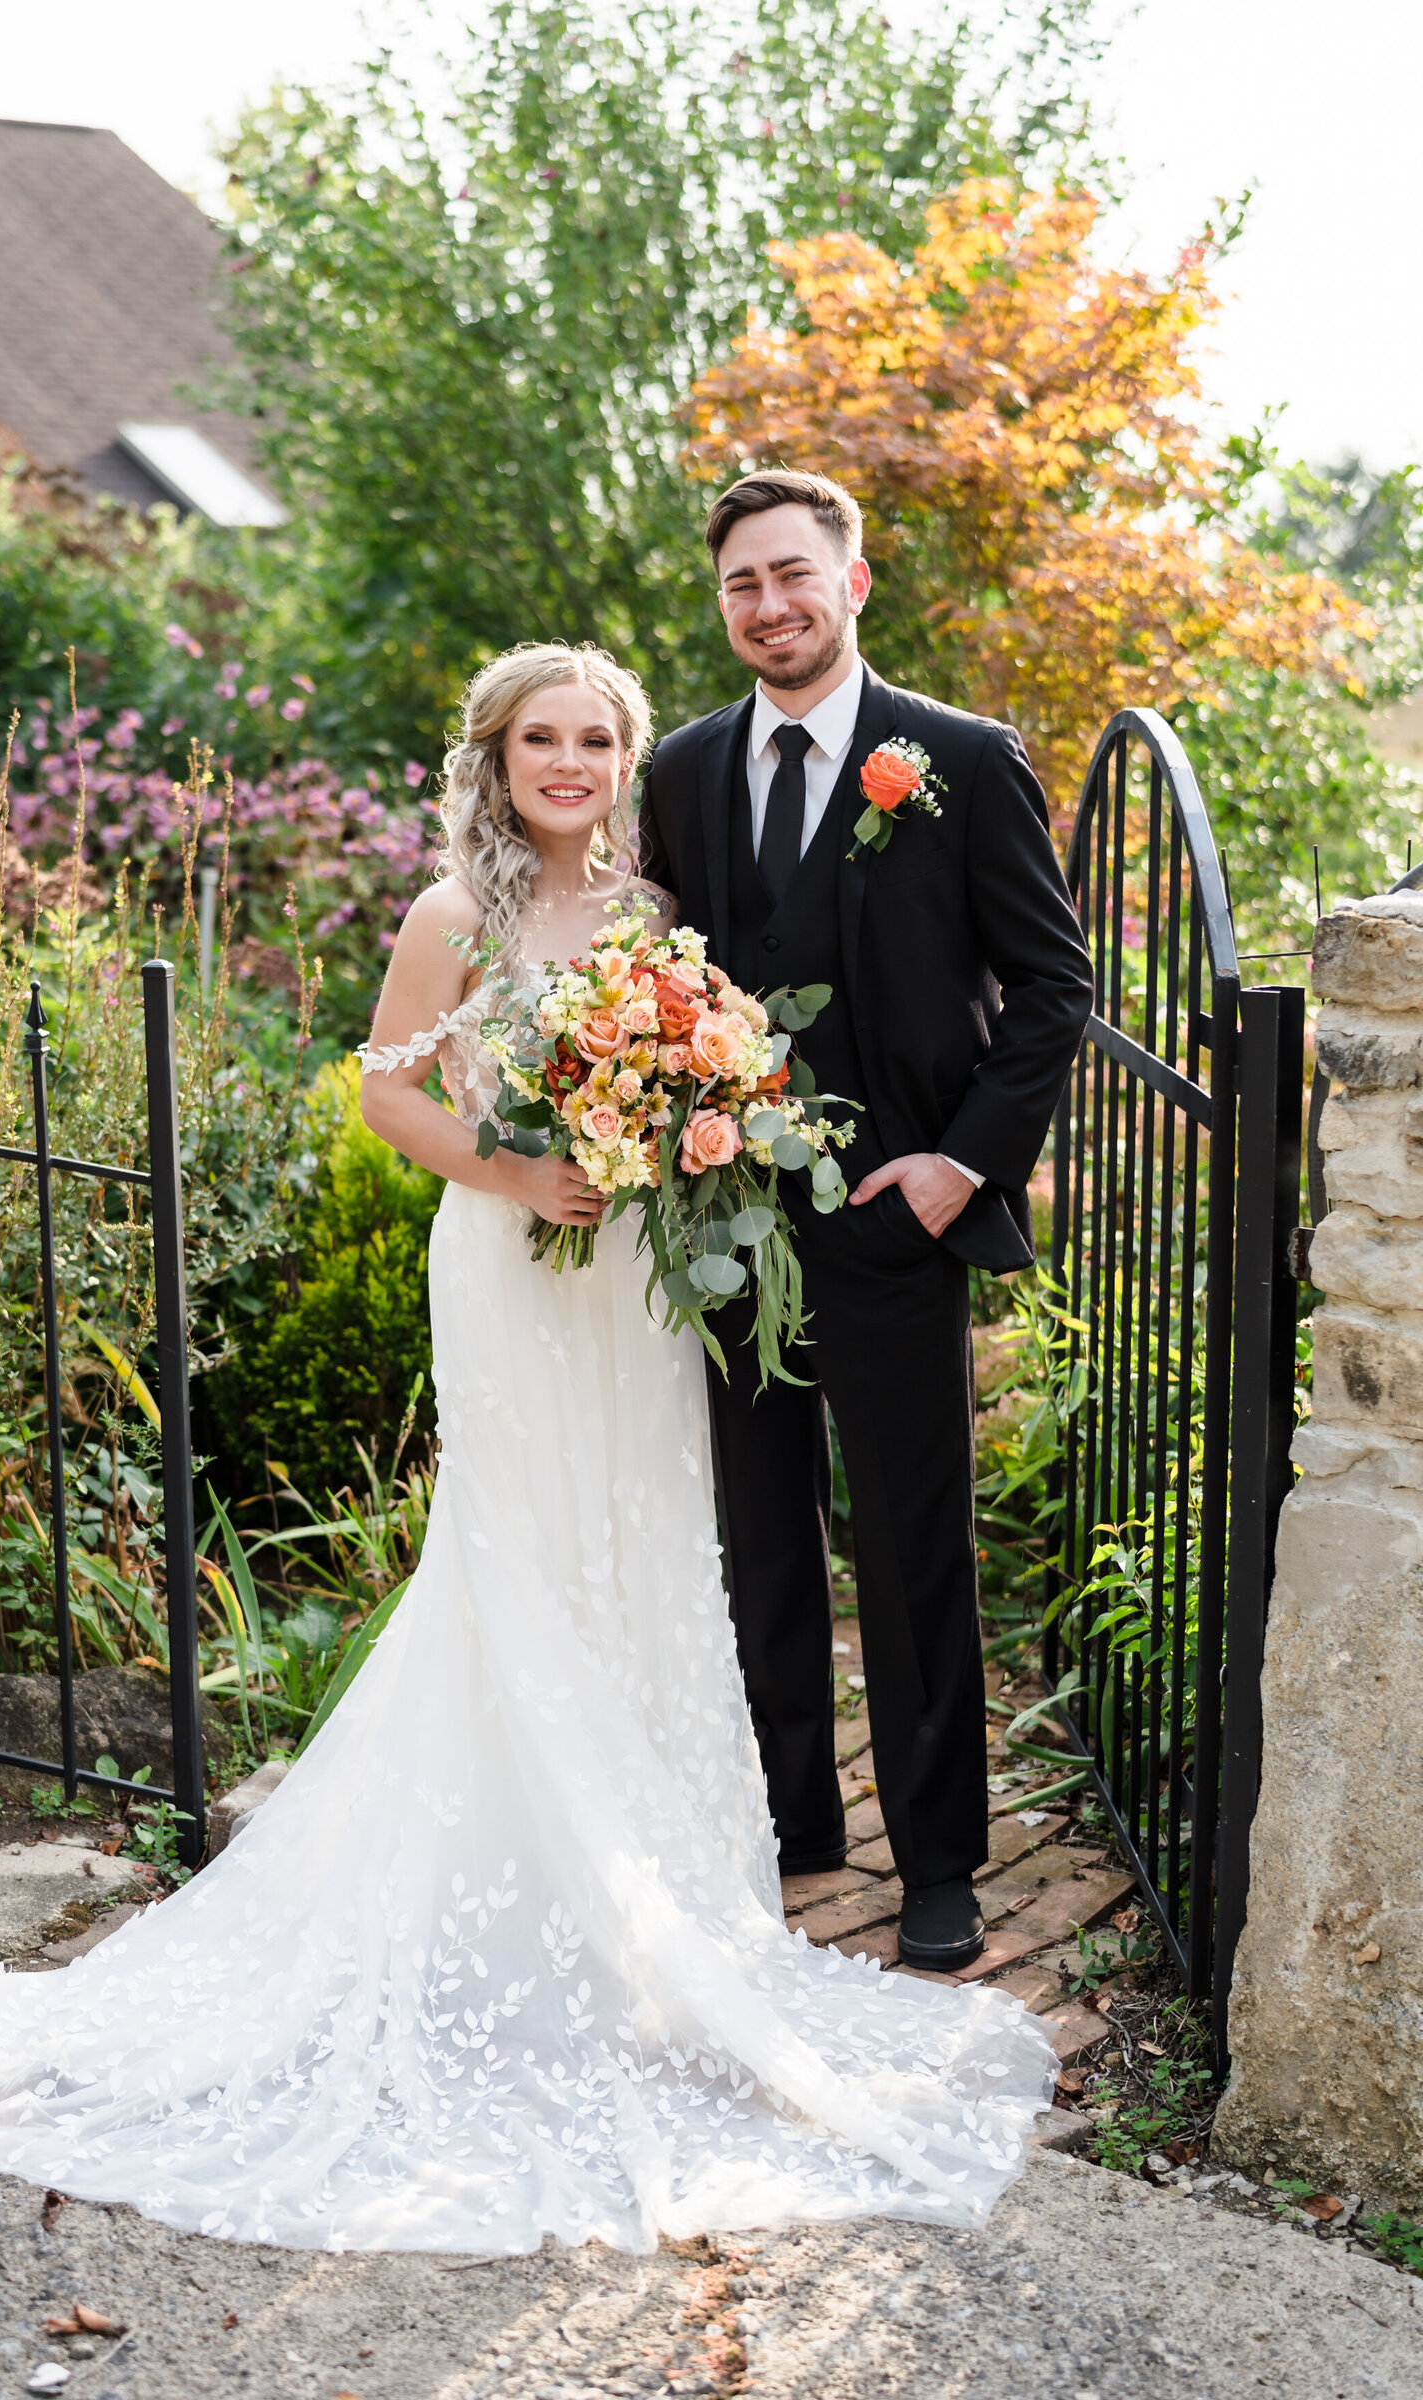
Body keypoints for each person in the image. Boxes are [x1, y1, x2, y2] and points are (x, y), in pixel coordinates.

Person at [0, 642, 1054, 2256]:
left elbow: (712, 1071)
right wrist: (513, 1177)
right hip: (513, 1267)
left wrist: (676, 1131)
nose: (570, 765)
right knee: (515, 1552)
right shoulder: (452, 914)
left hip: (637, 1285)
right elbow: (382, 1091)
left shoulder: (660, 919)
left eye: (596, 739)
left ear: (624, 759)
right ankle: (520, 1874)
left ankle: (643, 1900)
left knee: (646, 1549)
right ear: (496, 760)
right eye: (542, 741)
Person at [637, 471, 1094, 1972]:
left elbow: (1052, 988)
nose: (768, 606)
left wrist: (964, 1166)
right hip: (728, 1220)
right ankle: (791, 1817)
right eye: (739, 586)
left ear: (851, 581)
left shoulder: (956, 759)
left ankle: (939, 1863)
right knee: (760, 1538)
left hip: (899, 1218)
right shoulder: (689, 769)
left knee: (911, 1551)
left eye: (791, 575)